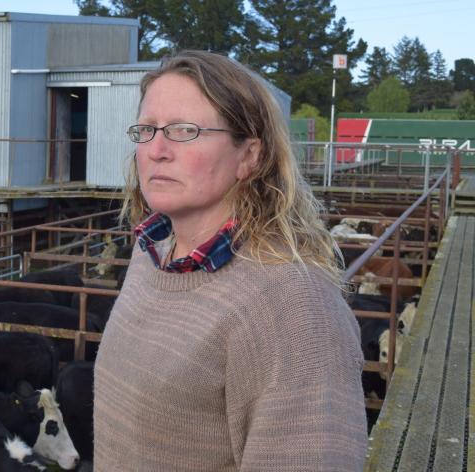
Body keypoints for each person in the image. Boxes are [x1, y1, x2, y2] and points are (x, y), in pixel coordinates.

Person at [93, 50, 367, 471]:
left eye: (186, 130)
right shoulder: (152, 254)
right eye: (146, 130)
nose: (157, 150)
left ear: (249, 156)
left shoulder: (292, 306)